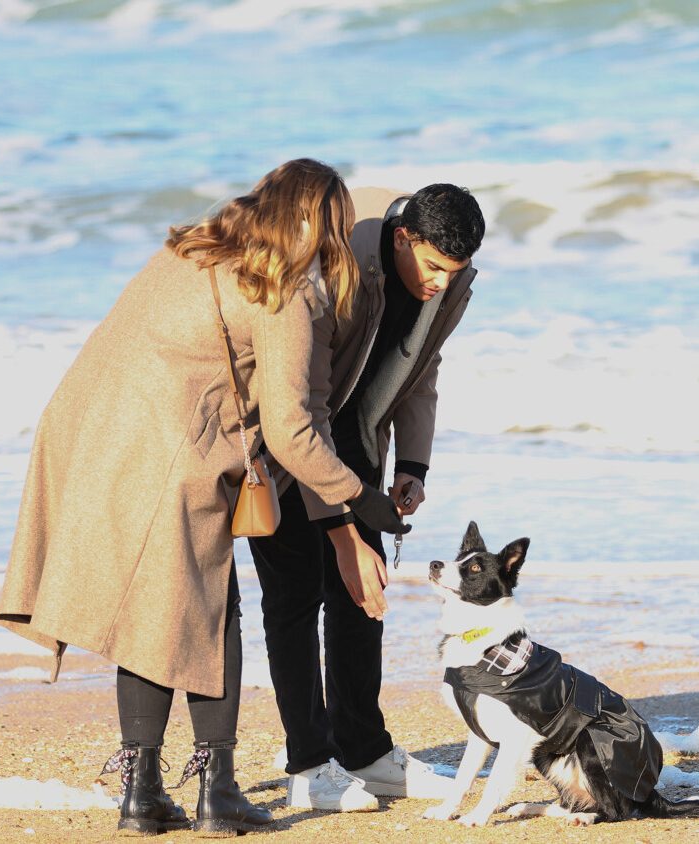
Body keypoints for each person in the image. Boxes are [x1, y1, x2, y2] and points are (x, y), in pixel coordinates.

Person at [0, 159, 409, 836]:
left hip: (89, 426)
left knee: (154, 611)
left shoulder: (194, 249)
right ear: (323, 222)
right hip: (163, 450)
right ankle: (217, 793)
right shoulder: (285, 287)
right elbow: (294, 431)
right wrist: (363, 501)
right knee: (210, 609)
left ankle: (142, 794)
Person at [247, 183, 485, 811]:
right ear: (404, 238)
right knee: (294, 597)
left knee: (361, 595)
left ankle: (364, 749)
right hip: (288, 433)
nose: (438, 282)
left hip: (356, 441)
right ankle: (308, 762)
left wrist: (412, 464)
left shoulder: (441, 281)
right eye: (433, 266)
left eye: (452, 272)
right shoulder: (338, 262)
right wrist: (338, 517)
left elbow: (422, 370)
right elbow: (302, 399)